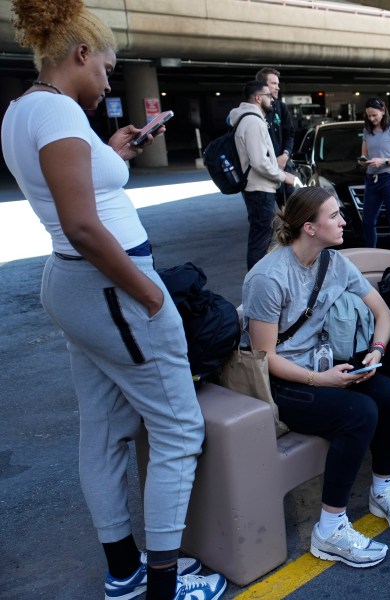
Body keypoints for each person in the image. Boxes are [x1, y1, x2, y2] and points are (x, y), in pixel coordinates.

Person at [0, 1, 226, 599]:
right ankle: (164, 583)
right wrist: (150, 294)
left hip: (77, 287)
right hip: (110, 289)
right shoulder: (58, 116)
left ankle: (124, 571)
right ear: (80, 54)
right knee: (180, 429)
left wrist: (113, 153)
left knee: (101, 432)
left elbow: (74, 194)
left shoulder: (25, 111)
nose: (108, 79)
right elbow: (82, 225)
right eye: (107, 66)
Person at [242, 186, 390, 568]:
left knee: (389, 396)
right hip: (283, 383)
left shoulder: (334, 263)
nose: (343, 220)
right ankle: (330, 529)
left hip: (325, 366)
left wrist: (376, 352)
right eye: (334, 215)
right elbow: (264, 357)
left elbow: (384, 314)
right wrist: (319, 380)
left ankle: (383, 491)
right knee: (359, 413)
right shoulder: (268, 278)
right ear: (309, 227)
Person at [230, 79, 298, 271]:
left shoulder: (249, 118)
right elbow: (259, 162)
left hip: (258, 188)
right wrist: (283, 176)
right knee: (260, 241)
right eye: (269, 96)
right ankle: (256, 283)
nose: (272, 99)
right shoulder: (252, 122)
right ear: (258, 98)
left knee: (262, 238)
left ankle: (258, 279)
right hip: (259, 189)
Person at [360, 96, 390, 251]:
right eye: (369, 116)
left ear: (383, 111)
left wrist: (384, 161)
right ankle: (371, 254)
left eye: (374, 115)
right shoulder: (367, 131)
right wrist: (363, 161)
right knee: (367, 221)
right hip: (372, 178)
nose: (372, 118)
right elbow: (364, 155)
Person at [256, 67, 296, 207]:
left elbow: (289, 135)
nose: (277, 87)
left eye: (277, 84)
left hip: (283, 166)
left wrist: (285, 155)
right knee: (267, 218)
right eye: (273, 83)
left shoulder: (281, 107)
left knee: (290, 212)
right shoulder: (254, 110)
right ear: (263, 86)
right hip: (263, 174)